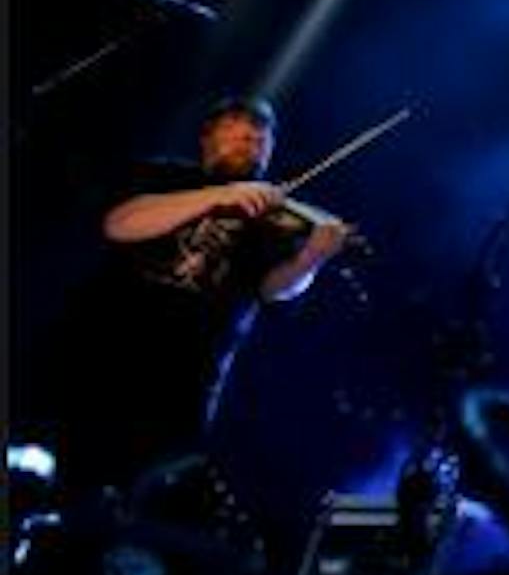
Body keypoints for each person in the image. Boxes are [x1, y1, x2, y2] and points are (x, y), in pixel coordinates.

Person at [52, 95, 352, 503]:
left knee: (134, 515)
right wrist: (218, 196)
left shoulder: (271, 220)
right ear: (207, 137)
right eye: (238, 129)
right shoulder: (164, 176)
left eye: (260, 136)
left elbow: (273, 290)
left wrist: (312, 257)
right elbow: (119, 224)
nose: (251, 138)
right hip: (100, 365)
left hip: (184, 391)